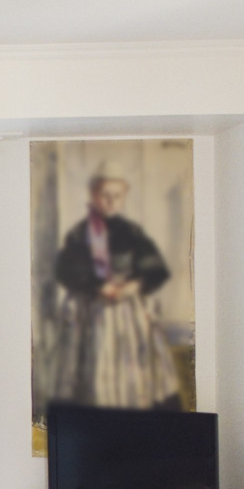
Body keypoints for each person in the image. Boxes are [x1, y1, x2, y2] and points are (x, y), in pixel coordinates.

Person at [46, 168, 178, 409]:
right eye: (105, 195)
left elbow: (155, 269)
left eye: (117, 195)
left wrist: (133, 286)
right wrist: (98, 286)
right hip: (90, 309)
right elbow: (67, 270)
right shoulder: (80, 233)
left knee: (134, 372)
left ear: (123, 197)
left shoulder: (132, 232)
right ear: (94, 196)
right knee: (93, 368)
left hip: (128, 311)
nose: (111, 201)